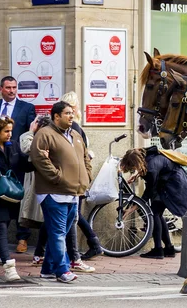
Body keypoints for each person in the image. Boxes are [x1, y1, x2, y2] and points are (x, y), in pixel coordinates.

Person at [29, 101, 92, 283]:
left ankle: (47, 269)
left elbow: (85, 157)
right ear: (56, 116)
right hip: (53, 192)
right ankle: (62, 270)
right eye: (67, 113)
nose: (71, 116)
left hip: (73, 192)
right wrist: (58, 177)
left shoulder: (75, 135)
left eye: (72, 113)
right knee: (57, 233)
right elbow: (38, 157)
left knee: (60, 233)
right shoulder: (45, 134)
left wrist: (87, 176)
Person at [59, 91, 102, 261]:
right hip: (78, 177)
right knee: (74, 213)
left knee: (74, 213)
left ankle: (90, 245)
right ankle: (90, 245)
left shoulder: (74, 128)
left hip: (75, 177)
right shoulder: (77, 126)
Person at [0, 76, 37, 253]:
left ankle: (22, 237)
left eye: (14, 87)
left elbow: (31, 133)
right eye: (8, 87)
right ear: (1, 89)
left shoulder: (27, 108)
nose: (12, 90)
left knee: (21, 198)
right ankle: (1, 243)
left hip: (17, 159)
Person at [119, 146, 178, 259]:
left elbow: (148, 193)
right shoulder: (147, 156)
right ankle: (169, 248)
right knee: (158, 214)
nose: (133, 169)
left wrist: (132, 209)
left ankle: (158, 250)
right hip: (167, 183)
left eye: (133, 167)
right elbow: (147, 168)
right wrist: (136, 175)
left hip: (170, 186)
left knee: (153, 213)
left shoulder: (151, 169)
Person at [0, 116, 33, 281]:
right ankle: (9, 267)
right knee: (1, 229)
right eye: (6, 131)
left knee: (2, 227)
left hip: (7, 196)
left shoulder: (13, 147)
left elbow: (25, 164)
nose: (10, 134)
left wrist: (43, 158)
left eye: (11, 130)